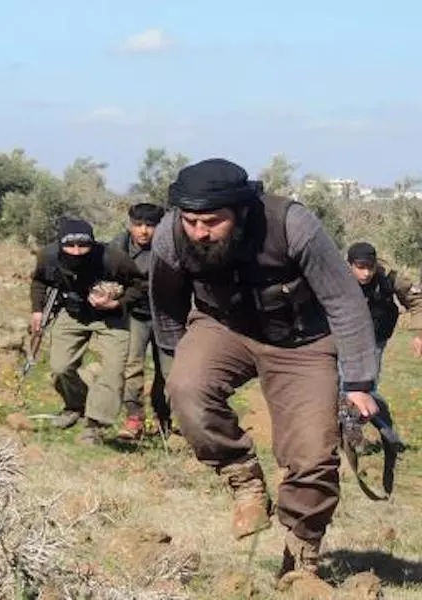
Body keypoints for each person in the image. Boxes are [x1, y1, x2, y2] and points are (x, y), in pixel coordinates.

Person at [149, 158, 379, 585]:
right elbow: (166, 302)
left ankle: (301, 554)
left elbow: (345, 300)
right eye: (191, 221)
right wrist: (174, 360)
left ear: (241, 211)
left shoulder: (291, 225)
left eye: (212, 221)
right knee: (185, 389)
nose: (199, 232)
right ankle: (243, 477)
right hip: (223, 327)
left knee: (312, 455)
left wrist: (361, 381)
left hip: (303, 342)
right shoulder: (170, 235)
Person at [29, 218, 148, 445]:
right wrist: (37, 310)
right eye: (70, 246)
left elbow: (140, 285)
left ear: (92, 243)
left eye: (82, 245)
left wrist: (117, 303)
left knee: (112, 373)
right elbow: (39, 281)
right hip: (73, 314)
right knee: (60, 367)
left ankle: (94, 425)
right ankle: (75, 405)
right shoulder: (48, 256)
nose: (76, 251)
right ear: (60, 244)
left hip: (111, 318)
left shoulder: (113, 258)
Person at [109, 202, 172, 439]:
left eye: (150, 225)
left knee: (168, 372)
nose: (143, 231)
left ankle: (163, 418)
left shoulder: (170, 245)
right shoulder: (119, 246)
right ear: (130, 224)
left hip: (168, 316)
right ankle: (134, 418)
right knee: (132, 367)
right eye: (138, 225)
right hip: (134, 314)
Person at [344, 242, 422, 423]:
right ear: (349, 265)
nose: (366, 273)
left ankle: (358, 429)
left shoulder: (388, 277)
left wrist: (419, 334)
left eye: (370, 267)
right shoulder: (336, 276)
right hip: (344, 338)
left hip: (375, 339)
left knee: (367, 386)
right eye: (360, 268)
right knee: (339, 385)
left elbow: (417, 300)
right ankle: (342, 431)